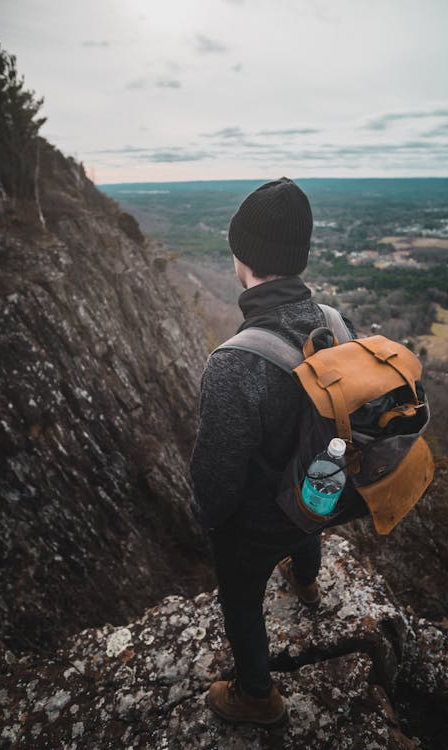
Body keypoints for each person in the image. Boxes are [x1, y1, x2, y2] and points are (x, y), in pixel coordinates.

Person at [190, 177, 367, 726]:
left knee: (239, 591)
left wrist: (214, 524)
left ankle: (257, 696)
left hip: (264, 522)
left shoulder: (233, 363)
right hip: (323, 493)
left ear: (241, 256)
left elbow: (216, 482)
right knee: (313, 460)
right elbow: (333, 426)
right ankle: (308, 579)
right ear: (300, 257)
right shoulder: (337, 324)